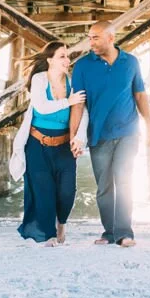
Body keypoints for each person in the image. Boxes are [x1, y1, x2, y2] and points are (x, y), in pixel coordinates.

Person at [69, 21, 150, 248]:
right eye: (89, 37)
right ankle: (109, 232)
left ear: (110, 38)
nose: (91, 42)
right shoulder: (83, 66)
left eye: (95, 37)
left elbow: (140, 96)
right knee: (104, 187)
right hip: (98, 135)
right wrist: (73, 136)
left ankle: (125, 233)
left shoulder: (131, 62)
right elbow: (77, 104)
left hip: (128, 132)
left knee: (124, 179)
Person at [12, 42, 88, 247]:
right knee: (43, 191)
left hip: (64, 145)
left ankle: (61, 223)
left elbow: (83, 112)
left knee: (67, 191)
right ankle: (49, 234)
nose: (67, 60)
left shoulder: (73, 82)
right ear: (50, 60)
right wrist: (68, 102)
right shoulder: (39, 79)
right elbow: (42, 107)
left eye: (68, 56)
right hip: (37, 144)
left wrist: (80, 138)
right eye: (62, 56)